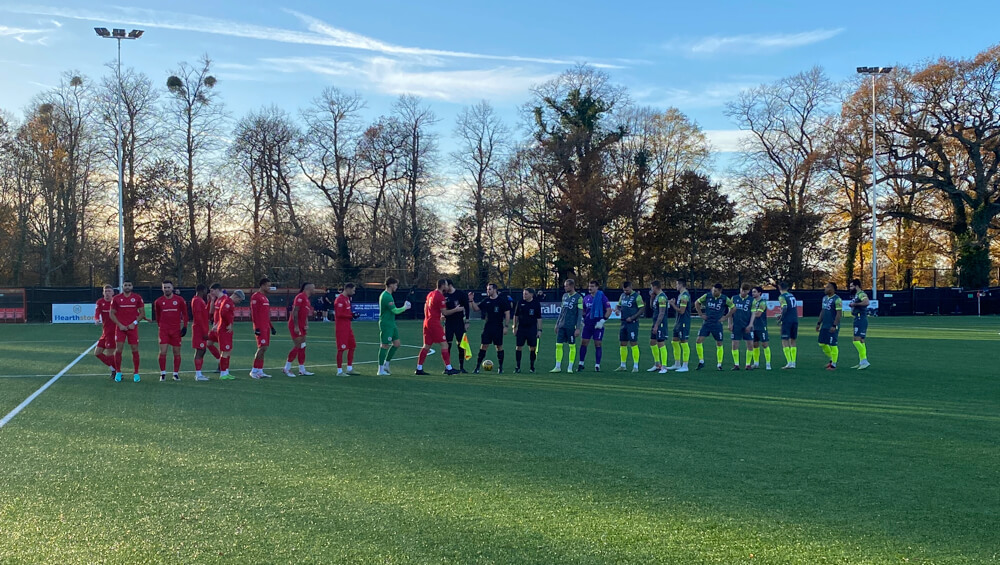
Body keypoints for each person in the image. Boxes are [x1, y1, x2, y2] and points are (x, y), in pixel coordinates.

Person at [417, 279, 462, 375]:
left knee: (426, 346)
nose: (447, 286)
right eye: (446, 285)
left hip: (426, 322)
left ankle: (419, 368)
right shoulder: (440, 296)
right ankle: (449, 368)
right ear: (442, 285)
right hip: (434, 323)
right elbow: (445, 312)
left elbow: (426, 307)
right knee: (444, 344)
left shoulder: (430, 294)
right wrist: (456, 309)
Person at [109, 280, 147, 383]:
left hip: (132, 328)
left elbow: (142, 313)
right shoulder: (116, 298)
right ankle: (118, 372)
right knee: (118, 349)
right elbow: (111, 314)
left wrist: (133, 323)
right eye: (125, 285)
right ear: (122, 286)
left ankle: (136, 373)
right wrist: (120, 325)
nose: (127, 287)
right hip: (121, 328)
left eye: (129, 285)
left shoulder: (137, 298)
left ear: (132, 286)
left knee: (134, 349)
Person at [469, 283, 511, 373]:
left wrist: (506, 326)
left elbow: (507, 314)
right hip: (488, 327)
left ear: (495, 290)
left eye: (489, 289)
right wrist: (471, 301)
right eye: (487, 289)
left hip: (498, 327)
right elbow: (476, 309)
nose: (488, 291)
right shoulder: (486, 300)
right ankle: (477, 367)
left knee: (499, 346)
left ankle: (500, 367)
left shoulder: (502, 301)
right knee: (484, 346)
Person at [154, 280, 188, 382]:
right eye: (165, 287)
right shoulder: (158, 301)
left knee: (176, 352)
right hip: (164, 330)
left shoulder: (180, 300)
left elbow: (185, 314)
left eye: (168, 287)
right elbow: (158, 317)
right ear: (162, 289)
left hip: (176, 330)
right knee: (163, 352)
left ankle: (175, 374)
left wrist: (185, 326)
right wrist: (160, 326)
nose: (167, 289)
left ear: (172, 288)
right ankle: (163, 373)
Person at [694, 284, 733, 371]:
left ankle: (719, 364)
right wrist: (700, 314)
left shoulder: (724, 298)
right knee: (698, 340)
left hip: (717, 324)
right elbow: (697, 303)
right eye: (713, 290)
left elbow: (733, 308)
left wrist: (725, 317)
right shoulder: (707, 296)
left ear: (720, 291)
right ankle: (701, 361)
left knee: (719, 343)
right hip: (707, 323)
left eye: (715, 291)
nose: (713, 292)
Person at [378, 277, 411, 376]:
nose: (396, 287)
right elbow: (395, 311)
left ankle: (386, 364)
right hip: (386, 324)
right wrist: (405, 307)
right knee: (384, 345)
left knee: (396, 344)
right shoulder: (386, 296)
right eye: (396, 285)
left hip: (391, 323)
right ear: (391, 285)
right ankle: (380, 370)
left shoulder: (389, 295)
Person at [210, 284, 244, 380]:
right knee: (225, 351)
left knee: (227, 351)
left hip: (223, 329)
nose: (239, 302)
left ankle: (226, 372)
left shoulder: (227, 301)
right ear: (236, 296)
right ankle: (223, 373)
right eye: (239, 300)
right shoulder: (228, 301)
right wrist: (229, 323)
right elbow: (223, 312)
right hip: (224, 329)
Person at [550, 279, 584, 373]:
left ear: (572, 286)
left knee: (572, 346)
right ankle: (557, 366)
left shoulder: (579, 298)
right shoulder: (564, 296)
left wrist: (577, 328)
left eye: (566, 286)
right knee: (558, 345)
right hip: (562, 325)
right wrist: (557, 324)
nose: (565, 287)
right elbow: (561, 312)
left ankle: (570, 367)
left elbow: (579, 315)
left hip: (571, 326)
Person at [578, 280, 612, 372]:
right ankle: (581, 363)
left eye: (592, 286)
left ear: (597, 287)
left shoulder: (602, 297)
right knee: (584, 343)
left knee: (597, 344)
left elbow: (609, 310)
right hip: (588, 325)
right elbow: (583, 310)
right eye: (589, 286)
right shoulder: (586, 298)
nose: (590, 288)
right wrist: (583, 318)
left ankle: (597, 365)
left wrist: (602, 321)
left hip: (597, 325)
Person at [284, 282, 317, 377]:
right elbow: (295, 312)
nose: (314, 290)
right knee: (298, 345)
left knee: (303, 346)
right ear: (308, 289)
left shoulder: (307, 299)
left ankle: (302, 369)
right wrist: (296, 326)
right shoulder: (300, 297)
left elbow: (305, 313)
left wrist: (306, 324)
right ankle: (286, 368)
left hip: (302, 326)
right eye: (313, 288)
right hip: (296, 325)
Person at [614, 281, 644, 372]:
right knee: (622, 343)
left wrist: (633, 317)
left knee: (633, 343)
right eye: (624, 290)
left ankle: (635, 366)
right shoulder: (622, 296)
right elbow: (618, 306)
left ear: (631, 287)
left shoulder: (637, 297)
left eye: (627, 290)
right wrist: (617, 310)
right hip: (623, 323)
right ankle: (623, 365)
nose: (625, 291)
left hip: (632, 323)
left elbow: (642, 308)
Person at [191, 284, 217, 381]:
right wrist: (204, 332)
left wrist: (210, 301)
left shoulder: (199, 300)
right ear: (203, 290)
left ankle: (199, 374)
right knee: (200, 350)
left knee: (202, 350)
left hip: (201, 329)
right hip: (199, 330)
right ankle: (198, 375)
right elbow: (198, 317)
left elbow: (205, 313)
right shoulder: (197, 300)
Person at [444, 279, 471, 373]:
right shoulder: (444, 295)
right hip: (448, 323)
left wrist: (467, 321)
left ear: (450, 285)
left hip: (459, 322)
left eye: (445, 285)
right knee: (447, 345)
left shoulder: (460, 294)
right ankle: (447, 367)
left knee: (461, 345)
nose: (444, 288)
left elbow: (467, 307)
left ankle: (461, 367)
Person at [513, 288, 543, 373]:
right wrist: (514, 327)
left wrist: (539, 330)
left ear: (531, 294)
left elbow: (539, 318)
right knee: (519, 347)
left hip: (532, 328)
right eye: (523, 293)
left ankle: (532, 367)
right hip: (521, 328)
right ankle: (517, 366)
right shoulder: (520, 302)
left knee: (532, 347)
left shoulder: (536, 304)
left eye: (526, 294)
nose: (524, 295)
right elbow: (516, 316)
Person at [250, 278, 275, 379]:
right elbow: (254, 313)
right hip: (260, 327)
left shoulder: (265, 298)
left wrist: (271, 326)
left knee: (264, 348)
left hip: (266, 326)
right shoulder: (256, 297)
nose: (269, 288)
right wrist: (256, 327)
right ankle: (254, 370)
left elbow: (267, 315)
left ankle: (260, 370)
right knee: (262, 347)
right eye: (268, 286)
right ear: (263, 285)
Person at [334, 283, 360, 376]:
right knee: (341, 349)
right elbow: (339, 314)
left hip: (348, 327)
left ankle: (349, 368)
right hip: (341, 328)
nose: (354, 292)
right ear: (347, 289)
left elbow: (346, 312)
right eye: (353, 290)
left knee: (352, 346)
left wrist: (352, 314)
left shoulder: (347, 299)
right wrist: (351, 316)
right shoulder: (340, 300)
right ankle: (339, 371)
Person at [817, 282, 843, 370]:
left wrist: (834, 325)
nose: (825, 289)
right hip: (824, 325)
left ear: (832, 289)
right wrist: (818, 323)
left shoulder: (837, 299)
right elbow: (823, 311)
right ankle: (832, 359)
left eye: (827, 287)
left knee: (833, 344)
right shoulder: (824, 298)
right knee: (821, 343)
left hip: (832, 325)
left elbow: (839, 314)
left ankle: (833, 365)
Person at [667, 279, 692, 372]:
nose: (676, 286)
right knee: (674, 342)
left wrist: (672, 304)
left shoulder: (685, 295)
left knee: (684, 342)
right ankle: (677, 363)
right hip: (678, 322)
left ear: (681, 285)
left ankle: (685, 365)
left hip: (683, 322)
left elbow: (682, 311)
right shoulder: (681, 295)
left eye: (677, 284)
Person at [729, 283, 755, 371]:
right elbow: (730, 312)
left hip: (747, 325)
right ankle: (736, 364)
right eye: (742, 290)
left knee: (750, 344)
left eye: (746, 291)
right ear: (740, 289)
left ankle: (748, 364)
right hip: (736, 325)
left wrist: (750, 324)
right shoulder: (734, 298)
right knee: (735, 344)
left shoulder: (752, 300)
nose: (743, 292)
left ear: (748, 291)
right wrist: (729, 323)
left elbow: (753, 313)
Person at [94, 285, 118, 379]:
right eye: (105, 291)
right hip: (105, 333)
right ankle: (115, 369)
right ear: (103, 293)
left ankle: (116, 372)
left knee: (109, 354)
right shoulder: (100, 302)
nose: (107, 293)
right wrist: (96, 319)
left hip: (113, 332)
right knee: (97, 353)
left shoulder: (116, 302)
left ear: (113, 293)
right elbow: (97, 313)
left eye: (109, 291)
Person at [647, 280, 670, 374]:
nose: (651, 289)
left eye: (651, 287)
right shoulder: (656, 297)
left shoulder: (662, 297)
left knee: (661, 343)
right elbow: (652, 307)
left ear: (655, 287)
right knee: (652, 342)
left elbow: (662, 312)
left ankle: (664, 366)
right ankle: (657, 364)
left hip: (660, 323)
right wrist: (651, 298)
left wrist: (656, 325)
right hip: (655, 322)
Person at [848, 278, 871, 370]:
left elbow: (866, 302)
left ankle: (864, 360)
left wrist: (854, 305)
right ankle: (862, 361)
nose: (850, 288)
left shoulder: (861, 294)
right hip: (858, 318)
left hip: (860, 318)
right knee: (861, 340)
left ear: (856, 286)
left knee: (856, 340)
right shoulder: (857, 295)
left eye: (851, 286)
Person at [747, 286, 772, 370]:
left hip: (761, 326)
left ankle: (768, 364)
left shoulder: (762, 302)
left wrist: (748, 314)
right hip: (753, 327)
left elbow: (758, 314)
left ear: (759, 293)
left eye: (754, 292)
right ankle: (756, 363)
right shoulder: (751, 301)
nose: (753, 293)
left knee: (764, 344)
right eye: (752, 292)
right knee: (755, 345)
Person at [777, 282, 799, 369]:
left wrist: (781, 318)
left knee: (784, 340)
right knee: (793, 341)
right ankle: (793, 362)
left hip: (787, 321)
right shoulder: (791, 295)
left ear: (779, 287)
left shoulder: (782, 297)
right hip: (794, 319)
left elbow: (785, 307)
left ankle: (789, 362)